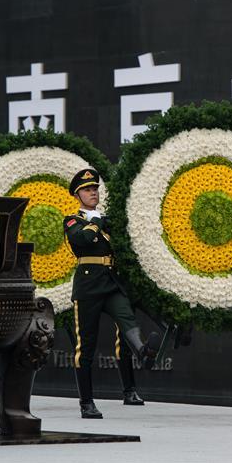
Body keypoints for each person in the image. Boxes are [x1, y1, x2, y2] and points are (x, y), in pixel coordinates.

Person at [64, 168, 159, 418]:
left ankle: (144, 353)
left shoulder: (108, 219)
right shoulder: (72, 221)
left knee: (126, 316)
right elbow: (82, 241)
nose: (93, 192)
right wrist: (96, 223)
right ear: (77, 195)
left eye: (95, 188)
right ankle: (86, 402)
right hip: (88, 286)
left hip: (111, 282)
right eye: (87, 189)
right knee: (86, 347)